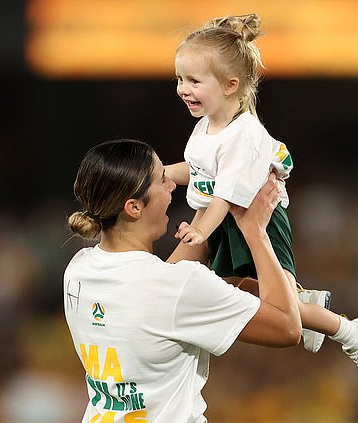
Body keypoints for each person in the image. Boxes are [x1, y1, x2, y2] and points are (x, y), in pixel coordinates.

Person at [165, 13, 358, 382]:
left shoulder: (244, 134)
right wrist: (163, 174)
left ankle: (351, 331)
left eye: (193, 80)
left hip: (259, 224)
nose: (182, 89)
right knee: (235, 293)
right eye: (179, 79)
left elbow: (224, 195)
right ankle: (303, 303)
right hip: (227, 223)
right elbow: (200, 170)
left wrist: (202, 232)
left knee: (272, 308)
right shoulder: (206, 125)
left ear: (230, 85)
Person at [64, 139, 303, 422]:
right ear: (134, 207)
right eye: (161, 179)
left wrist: (214, 196)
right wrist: (255, 231)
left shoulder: (78, 269)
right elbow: (288, 328)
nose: (172, 185)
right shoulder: (176, 286)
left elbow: (163, 293)